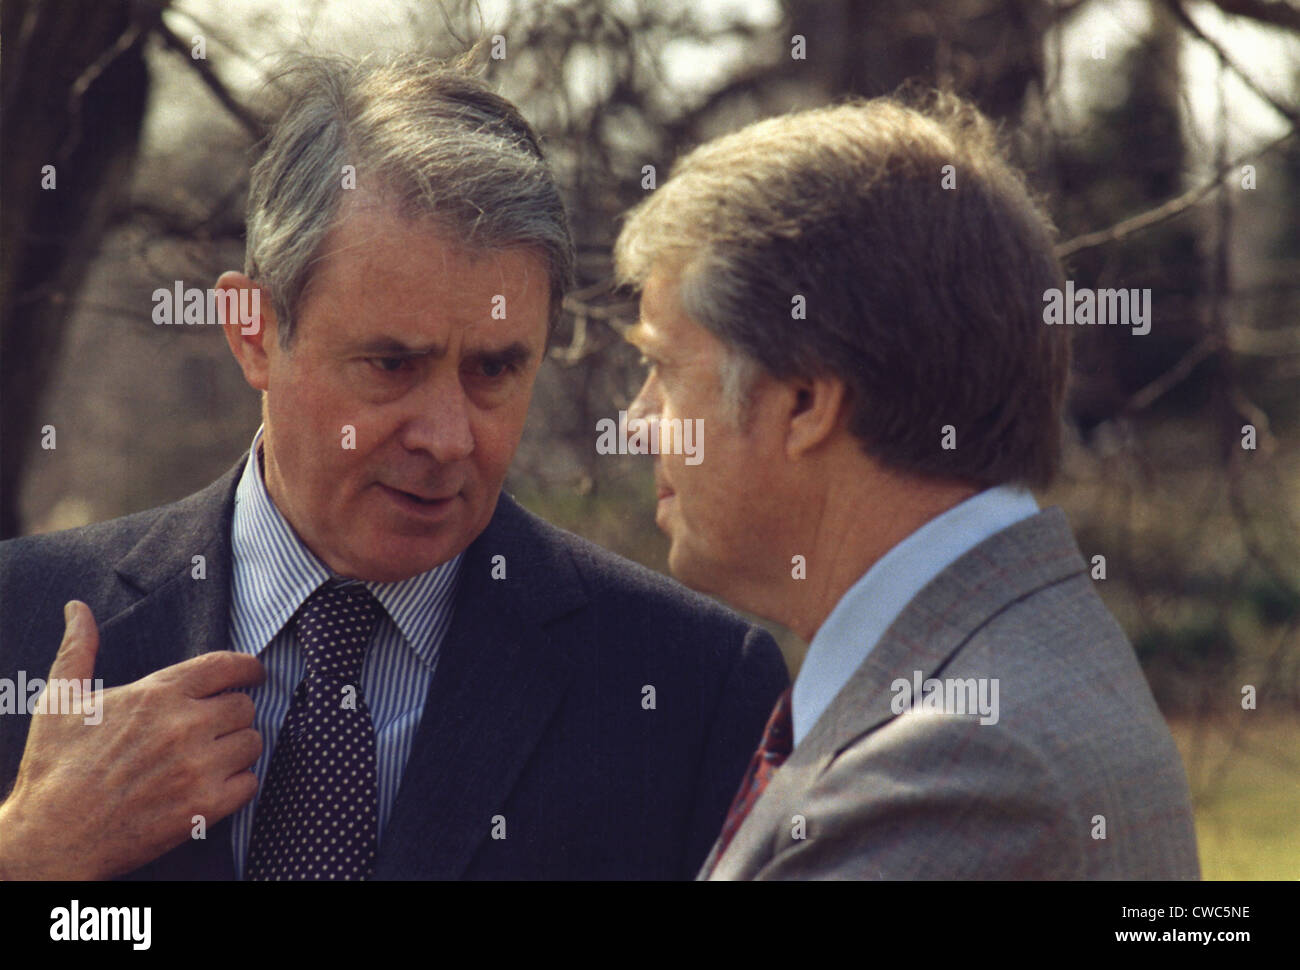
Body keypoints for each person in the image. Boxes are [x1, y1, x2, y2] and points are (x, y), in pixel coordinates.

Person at [0, 52, 788, 881]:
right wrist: (28, 850)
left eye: (493, 371)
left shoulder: (691, 690)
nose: (448, 438)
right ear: (253, 332)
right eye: (391, 365)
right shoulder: (19, 617)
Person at [612, 94, 1201, 879]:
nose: (637, 422)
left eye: (663, 369)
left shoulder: (954, 774)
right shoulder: (1003, 671)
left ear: (803, 403)